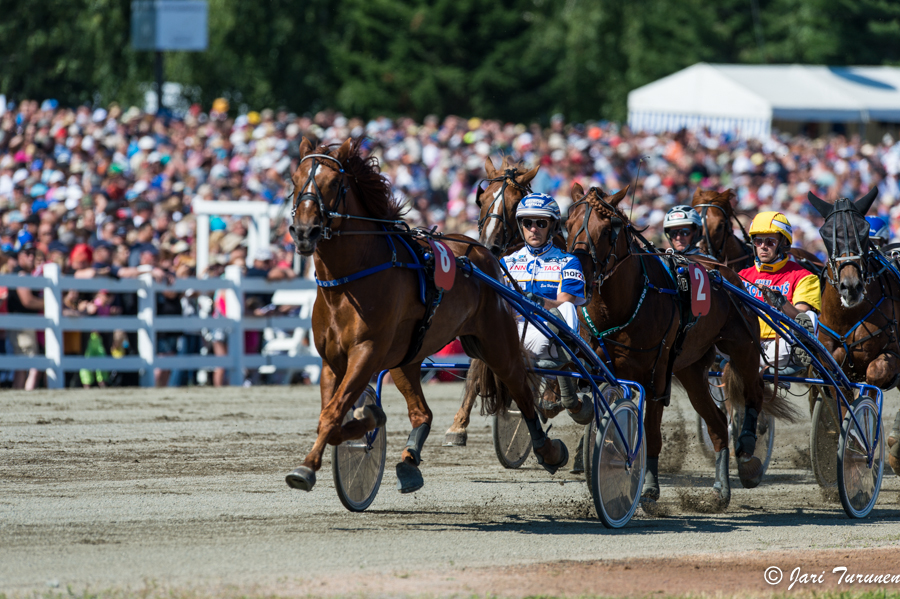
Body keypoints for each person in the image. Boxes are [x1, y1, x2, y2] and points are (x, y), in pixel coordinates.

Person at [502, 193, 590, 422]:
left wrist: (537, 301)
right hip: (510, 334)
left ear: (552, 226)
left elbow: (565, 304)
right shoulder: (506, 262)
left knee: (568, 311)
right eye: (527, 223)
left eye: (541, 223)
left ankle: (562, 368)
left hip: (547, 335)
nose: (533, 229)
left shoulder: (568, 262)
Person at [738, 211, 820, 376]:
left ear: (783, 243)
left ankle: (801, 354)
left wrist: (781, 302)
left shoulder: (805, 277)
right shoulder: (741, 276)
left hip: (778, 349)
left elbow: (801, 317)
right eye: (758, 241)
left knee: (810, 317)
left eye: (770, 241)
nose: (763, 246)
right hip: (744, 345)